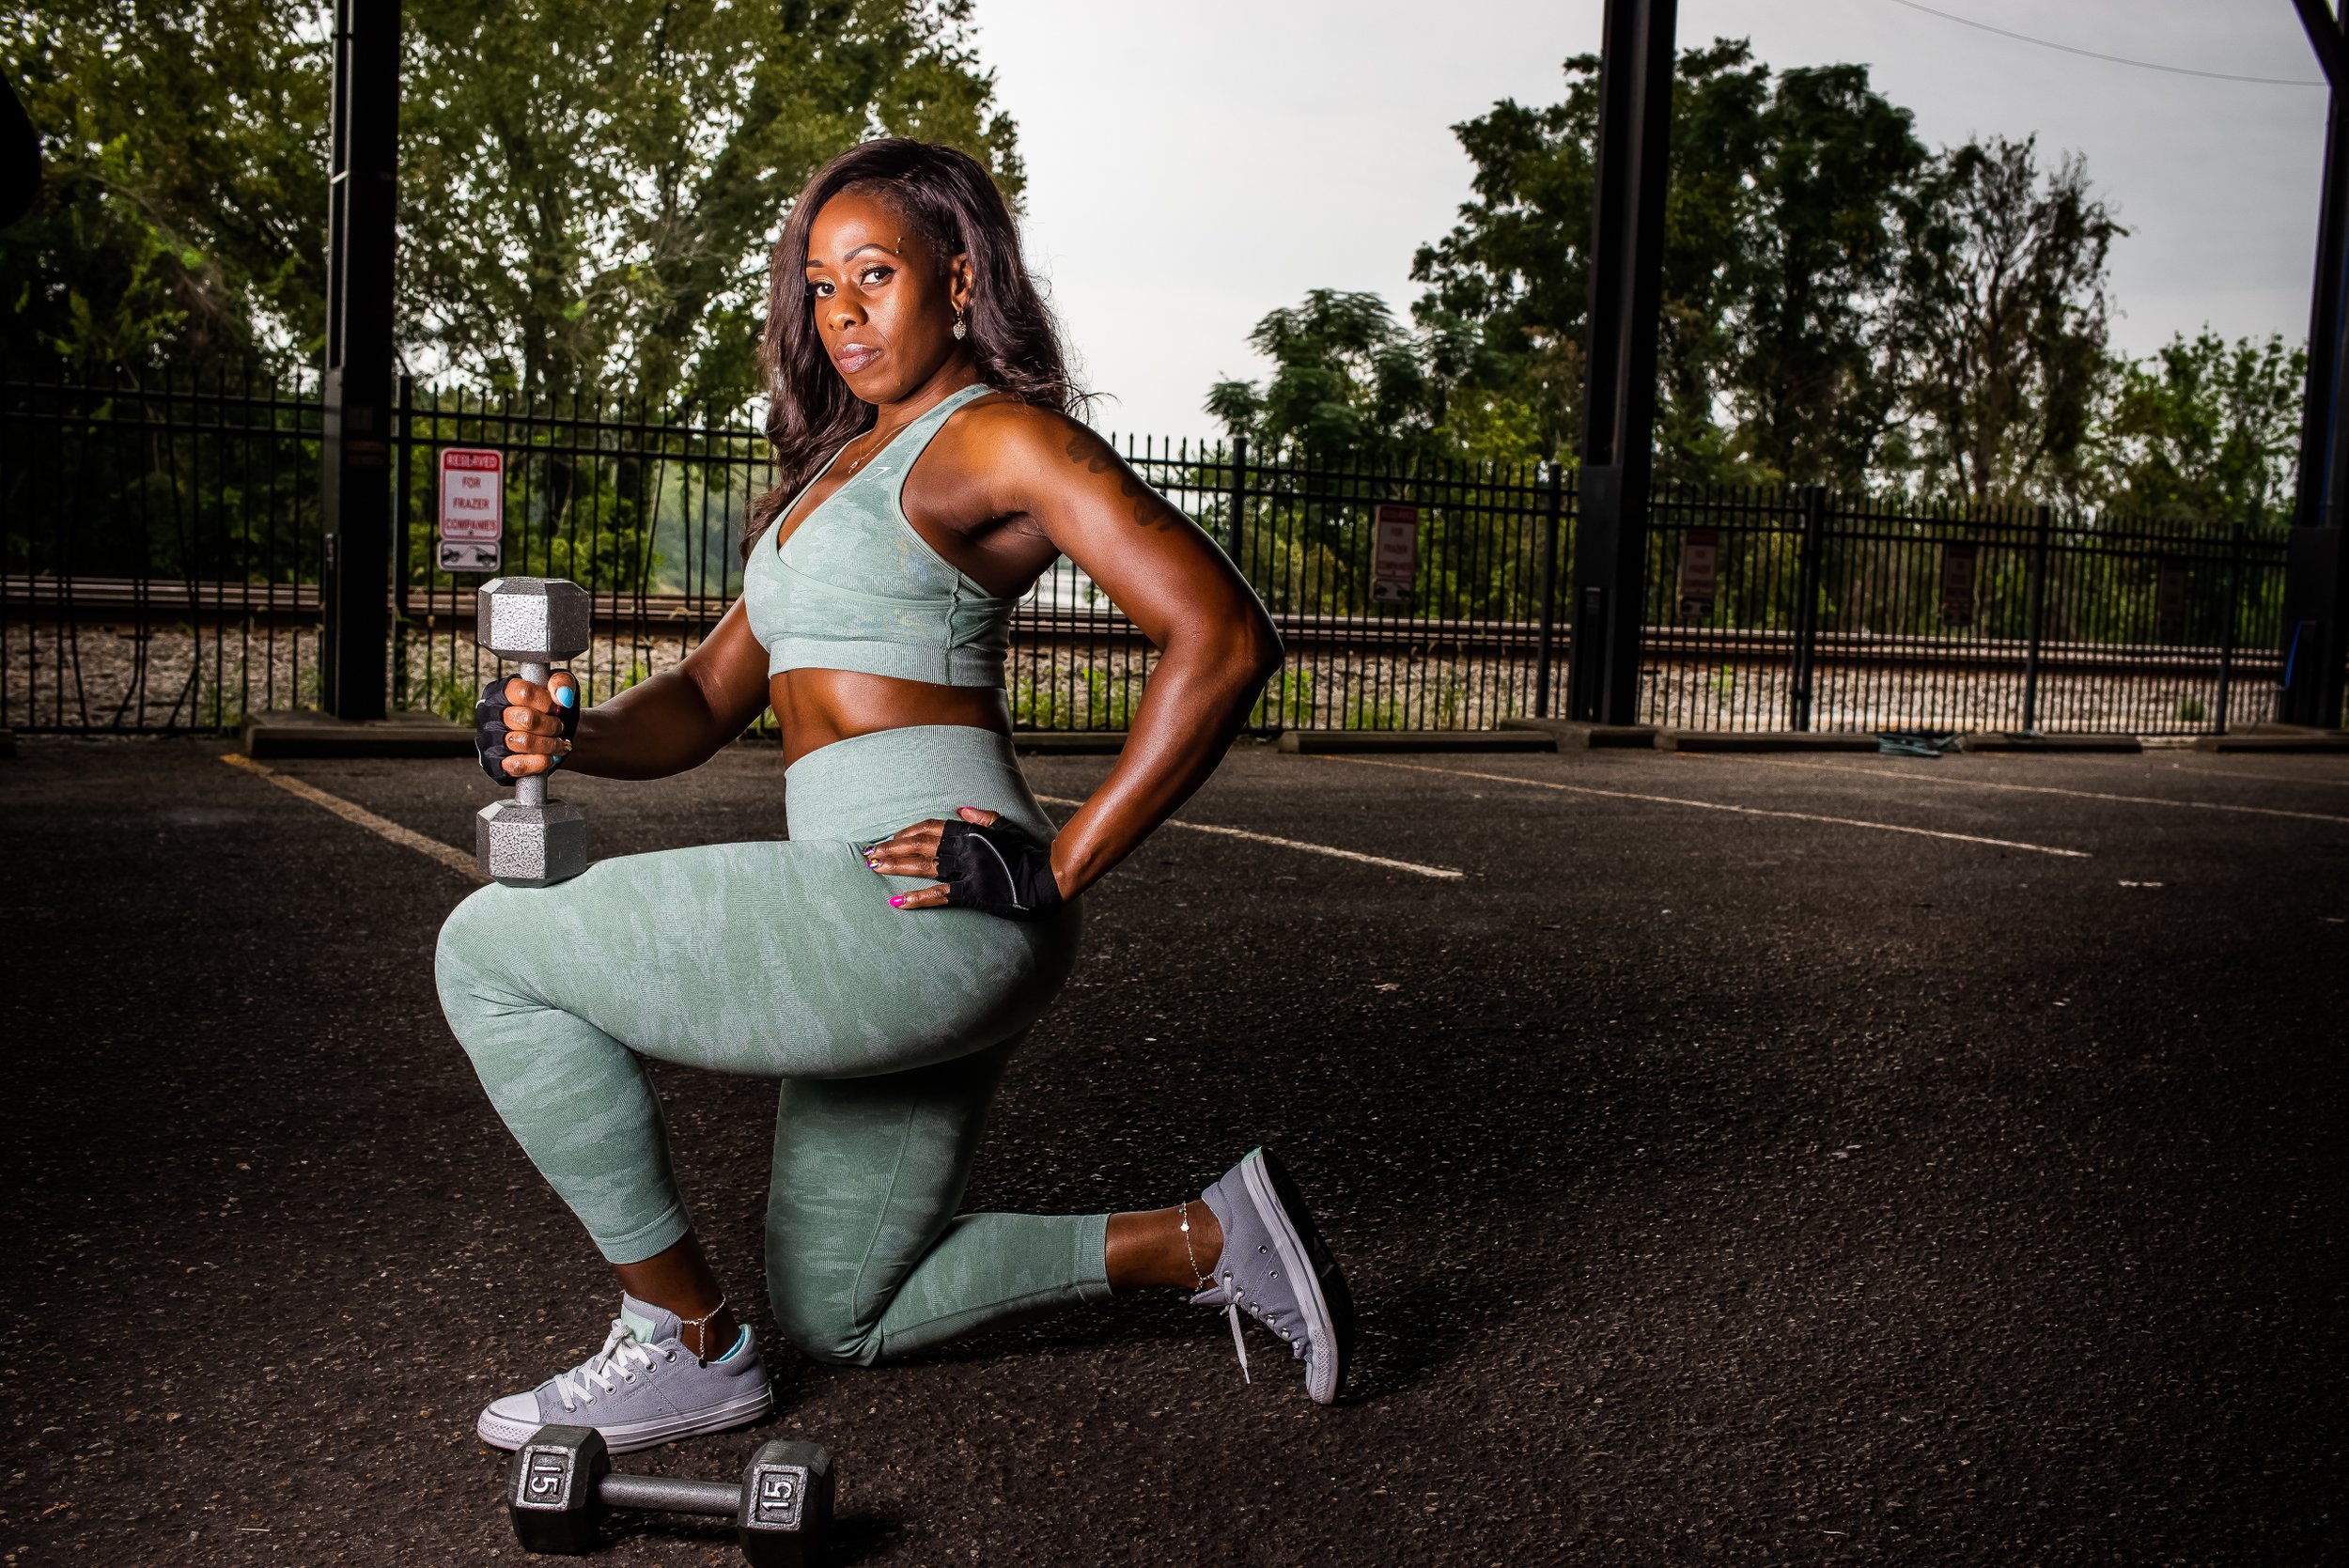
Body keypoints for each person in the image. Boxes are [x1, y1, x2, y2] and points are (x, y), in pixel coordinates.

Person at [435, 138, 1355, 1455]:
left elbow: (1222, 637)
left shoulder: (997, 438)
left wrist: (1055, 863)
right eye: (820, 285)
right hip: (885, 905)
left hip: (933, 890)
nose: (844, 311)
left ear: (961, 276)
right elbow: (702, 702)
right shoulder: (832, 476)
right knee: (843, 1303)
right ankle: (1204, 1236)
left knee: (492, 951)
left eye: (876, 273)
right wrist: (570, 726)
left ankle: (683, 1337)